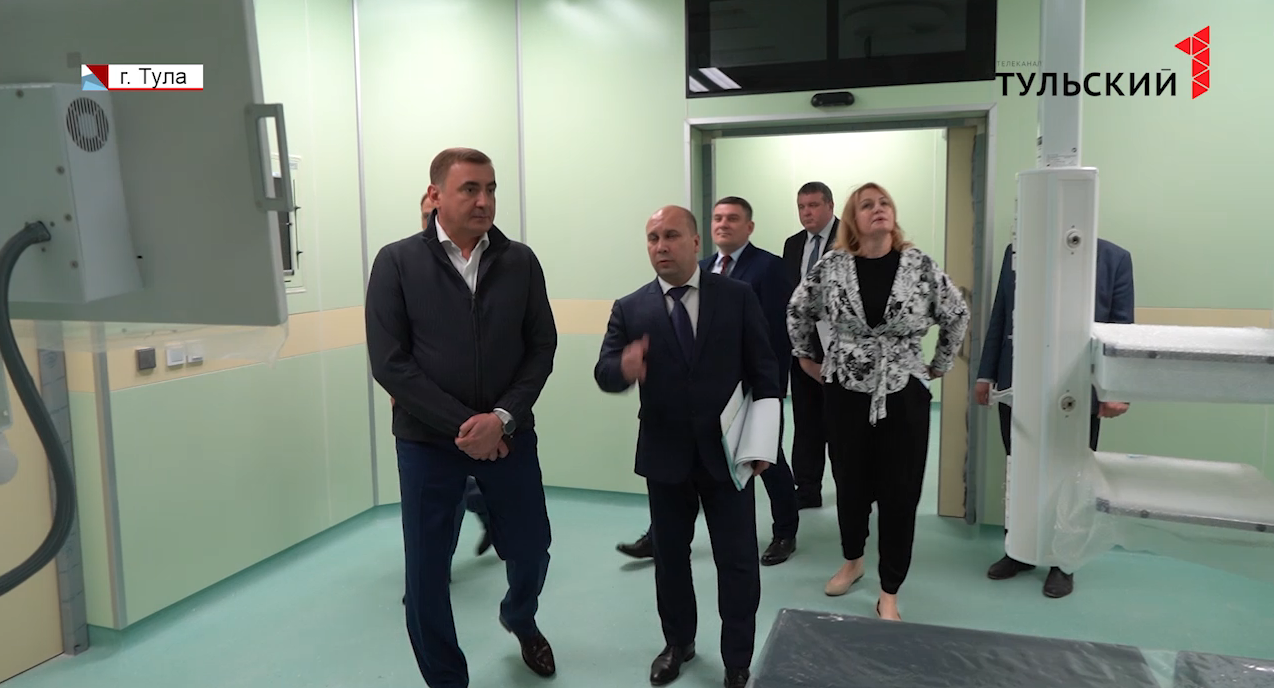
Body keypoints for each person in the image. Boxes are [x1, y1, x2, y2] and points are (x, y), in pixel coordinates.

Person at [366, 147, 558, 687]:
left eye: (490, 189)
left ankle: (520, 617)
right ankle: (447, 679)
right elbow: (390, 363)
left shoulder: (520, 262)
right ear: (436, 195)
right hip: (427, 444)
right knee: (427, 572)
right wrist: (466, 427)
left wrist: (502, 417)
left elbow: (541, 348)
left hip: (509, 437)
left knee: (531, 548)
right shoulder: (397, 262)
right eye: (470, 188)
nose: (483, 200)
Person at [595, 205, 781, 688]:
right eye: (653, 238)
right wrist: (622, 369)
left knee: (737, 561)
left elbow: (765, 372)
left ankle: (737, 658)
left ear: (696, 243)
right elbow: (604, 370)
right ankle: (678, 643)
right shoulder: (631, 307)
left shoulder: (736, 297)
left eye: (671, 236)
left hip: (729, 454)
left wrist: (763, 443)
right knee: (671, 560)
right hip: (665, 457)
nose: (661, 246)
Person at [787, 182, 969, 622]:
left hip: (903, 393)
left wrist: (940, 364)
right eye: (866, 205)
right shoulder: (833, 266)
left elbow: (956, 312)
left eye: (884, 202)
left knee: (900, 493)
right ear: (853, 219)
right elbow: (797, 310)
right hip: (844, 392)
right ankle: (852, 560)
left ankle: (890, 589)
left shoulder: (918, 265)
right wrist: (808, 357)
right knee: (850, 486)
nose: (877, 209)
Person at [615, 196, 799, 567]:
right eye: (718, 218)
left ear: (749, 226)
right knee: (682, 477)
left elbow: (775, 335)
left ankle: (785, 530)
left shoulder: (769, 267)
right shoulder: (696, 269)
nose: (723, 224)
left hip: (749, 395)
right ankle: (658, 536)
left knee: (768, 458)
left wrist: (769, 397)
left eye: (732, 218)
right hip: (695, 410)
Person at [974, 238, 1134, 599]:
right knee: (1019, 470)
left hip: (1077, 388)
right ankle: (1019, 550)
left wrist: (1116, 390)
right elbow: (1001, 312)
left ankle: (1064, 562)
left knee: (1072, 476)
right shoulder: (1018, 251)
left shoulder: (1113, 259)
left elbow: (1121, 329)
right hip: (1017, 382)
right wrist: (986, 374)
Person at [781, 182, 839, 509]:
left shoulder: (849, 239)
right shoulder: (793, 245)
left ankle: (852, 488)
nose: (807, 213)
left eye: (814, 205)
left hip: (841, 348)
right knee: (805, 422)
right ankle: (807, 490)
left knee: (843, 422)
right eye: (802, 207)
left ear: (830, 206)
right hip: (802, 346)